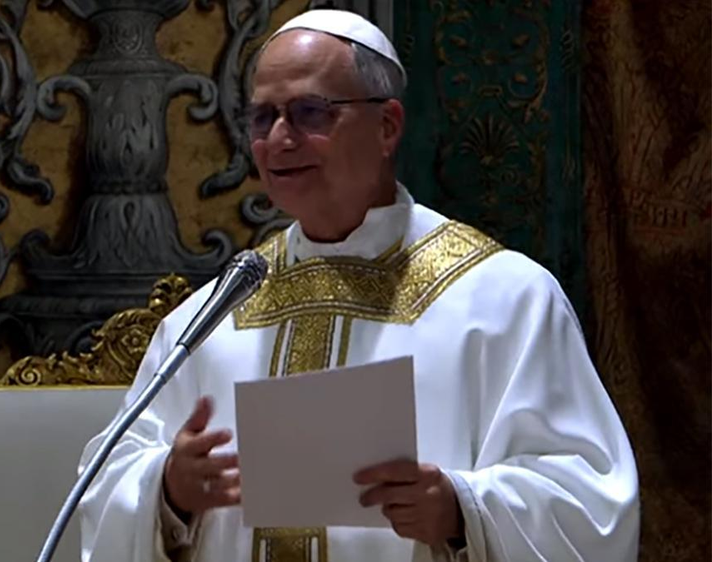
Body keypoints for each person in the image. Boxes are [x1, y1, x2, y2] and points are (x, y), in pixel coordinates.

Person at [77, 9, 639, 562]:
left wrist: (460, 510)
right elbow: (105, 485)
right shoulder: (211, 316)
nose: (279, 138)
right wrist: (168, 490)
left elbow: (592, 504)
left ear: (387, 125)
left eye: (310, 113)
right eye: (262, 117)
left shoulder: (505, 301)